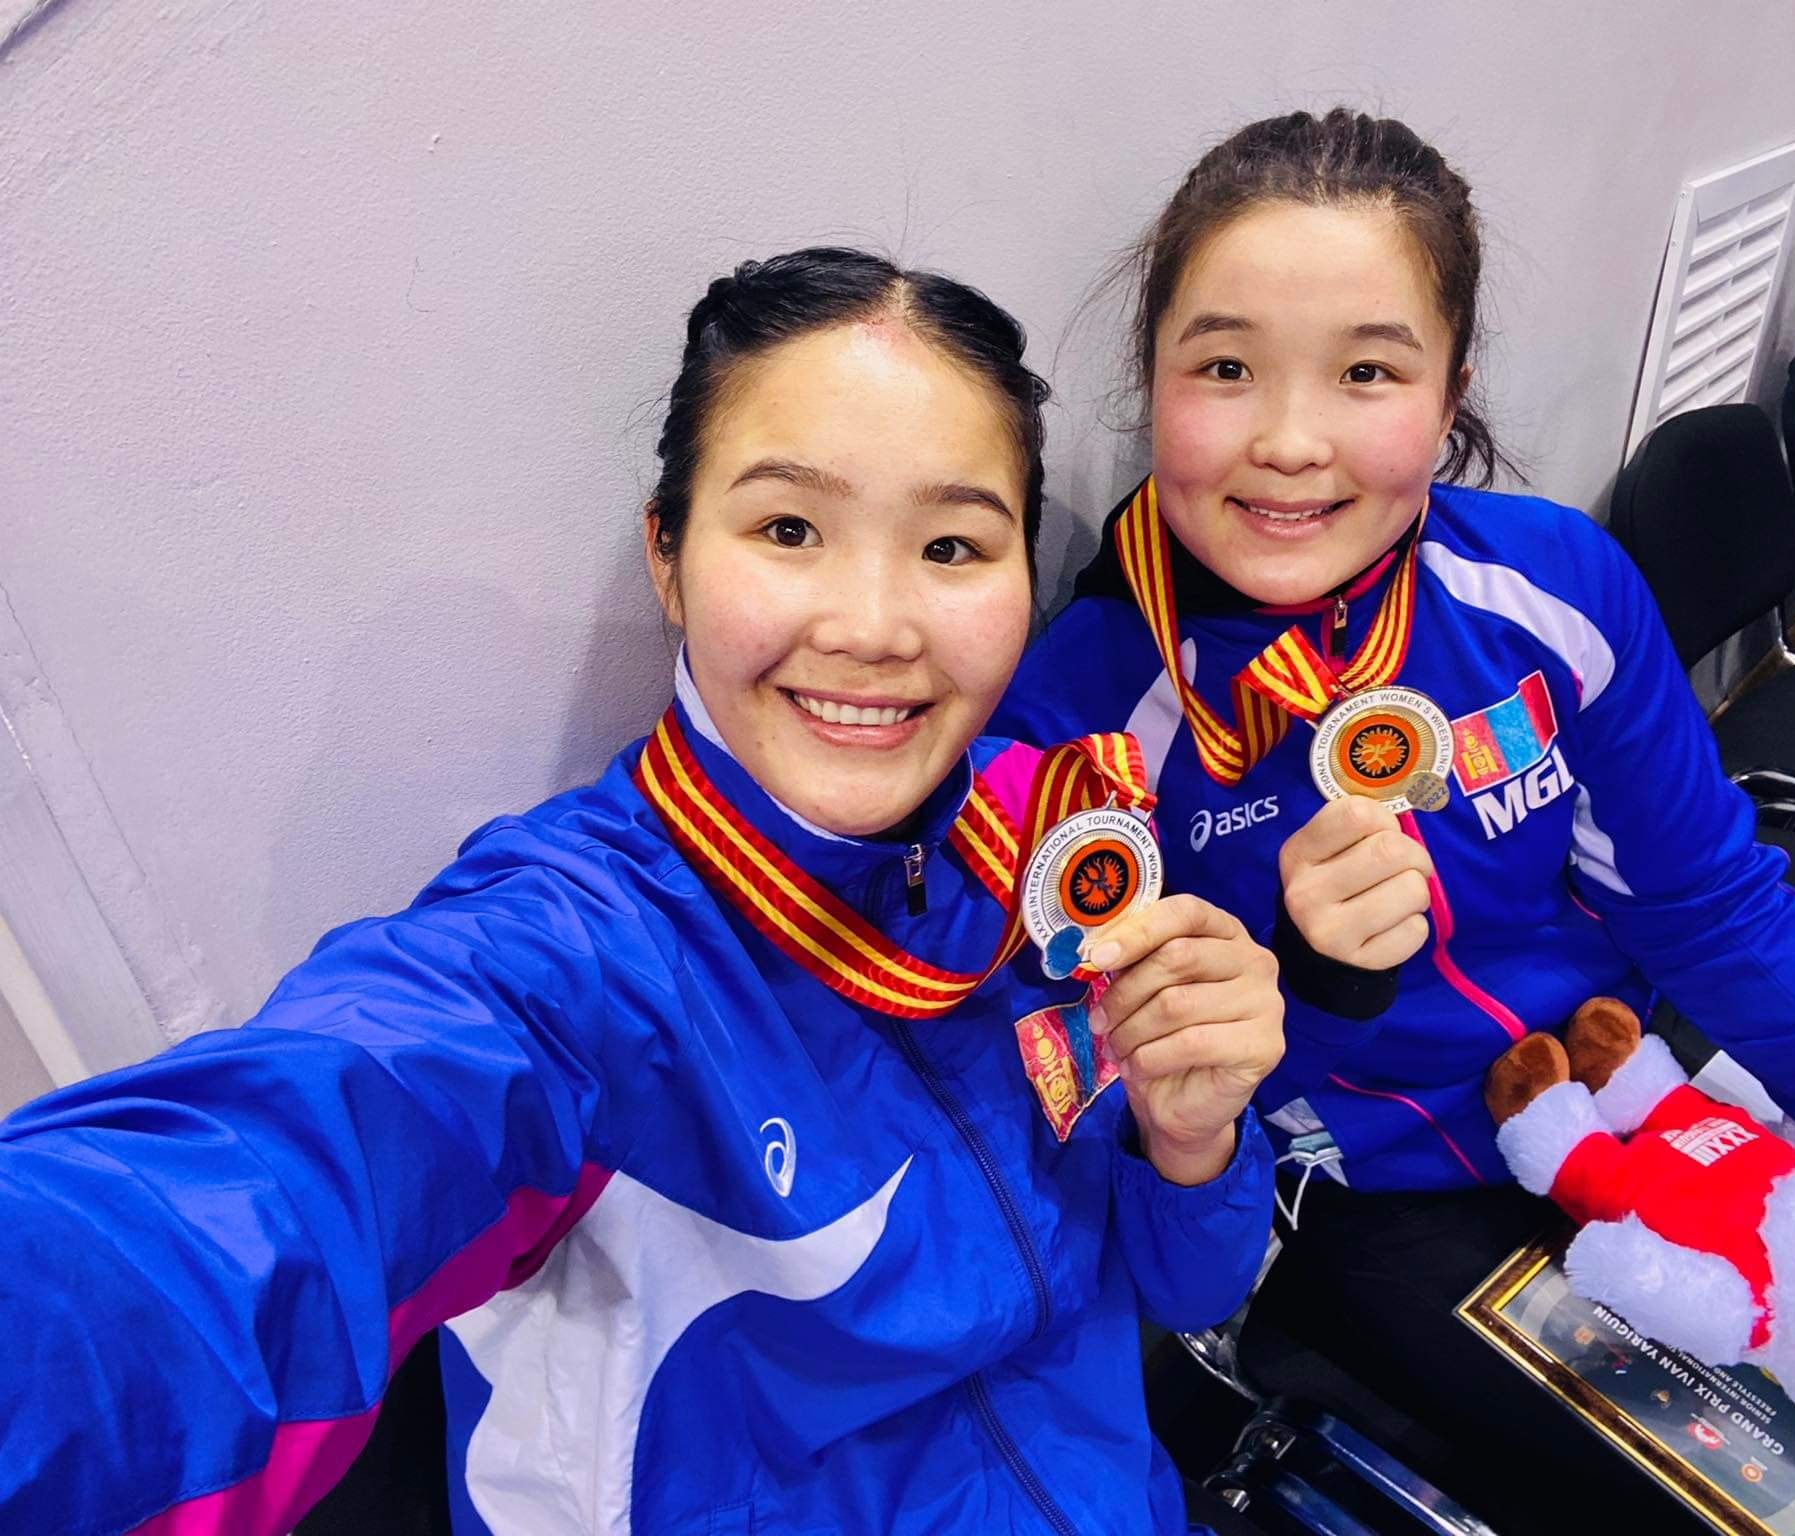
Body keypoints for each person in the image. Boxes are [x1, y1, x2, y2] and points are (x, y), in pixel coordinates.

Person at [0, 248, 1288, 1536]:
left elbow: (1186, 1292)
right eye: (789, 530)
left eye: (951, 545)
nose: (875, 626)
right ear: (667, 554)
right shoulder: (572, 957)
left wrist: (1192, 1143)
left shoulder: (1041, 844)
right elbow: (245, 1203)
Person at [999, 109, 1795, 1532]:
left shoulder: (1553, 589)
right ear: (1152, 380)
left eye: (1368, 370)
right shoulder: (1077, 727)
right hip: (1371, 1201)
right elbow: (1100, 1121)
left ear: (1451, 393)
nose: (1289, 441)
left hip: (1626, 1079)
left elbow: (1713, 911)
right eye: (1225, 367)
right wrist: (1302, 990)